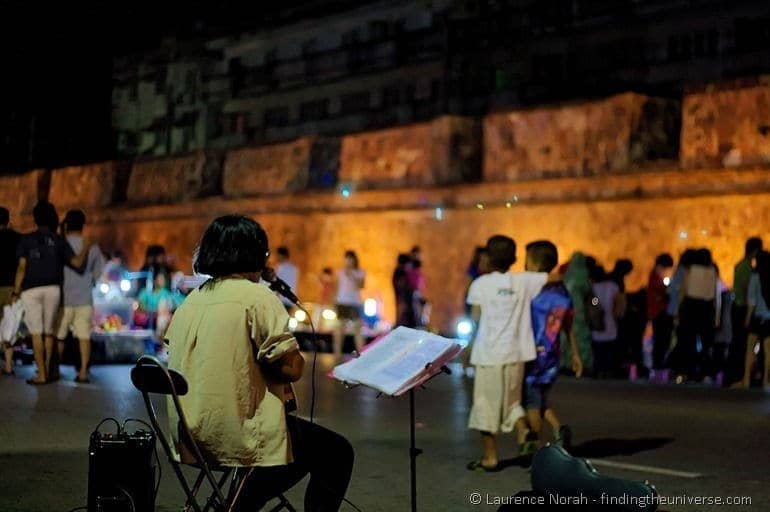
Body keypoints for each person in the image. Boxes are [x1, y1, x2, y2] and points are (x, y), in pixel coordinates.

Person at [164, 215, 354, 511]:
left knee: (297, 443)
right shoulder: (257, 297)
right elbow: (291, 368)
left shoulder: (191, 301)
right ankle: (240, 504)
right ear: (253, 255)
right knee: (336, 451)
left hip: (192, 435)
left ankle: (238, 502)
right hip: (239, 435)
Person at [465, 235, 550, 471]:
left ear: (488, 257)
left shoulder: (480, 284)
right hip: (516, 354)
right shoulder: (524, 282)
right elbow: (552, 275)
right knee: (512, 403)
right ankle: (522, 429)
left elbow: (475, 317)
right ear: (514, 258)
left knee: (485, 405)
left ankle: (490, 457)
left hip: (489, 355)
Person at [13, 201, 91, 385]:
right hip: (53, 289)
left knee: (36, 333)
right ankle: (47, 370)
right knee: (49, 333)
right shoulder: (59, 241)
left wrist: (16, 291)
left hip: (31, 290)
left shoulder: (26, 240)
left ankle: (41, 374)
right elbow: (78, 264)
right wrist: (86, 246)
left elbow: (22, 268)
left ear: (35, 218)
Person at [522, 241, 582, 450]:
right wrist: (575, 354)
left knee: (531, 403)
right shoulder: (563, 292)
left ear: (535, 262)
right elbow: (568, 327)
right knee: (538, 398)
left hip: (532, 354)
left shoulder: (533, 290)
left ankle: (537, 449)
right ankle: (558, 428)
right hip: (552, 355)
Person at [54, 210, 104, 383]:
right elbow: (98, 274)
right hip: (84, 299)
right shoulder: (93, 246)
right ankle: (83, 372)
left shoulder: (61, 244)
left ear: (67, 224)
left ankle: (55, 370)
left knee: (59, 335)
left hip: (64, 298)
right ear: (83, 225)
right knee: (84, 336)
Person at [675, 248, 720, 382]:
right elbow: (716, 294)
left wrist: (678, 311)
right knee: (706, 343)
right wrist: (716, 316)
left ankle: (688, 371)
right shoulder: (712, 271)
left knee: (687, 341)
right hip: (707, 308)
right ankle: (706, 372)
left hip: (690, 307)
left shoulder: (690, 270)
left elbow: (683, 291)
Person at [729, 237, 763, 387]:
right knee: (742, 344)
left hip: (738, 307)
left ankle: (739, 376)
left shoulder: (740, 265)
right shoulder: (748, 268)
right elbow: (748, 291)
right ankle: (740, 376)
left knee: (739, 343)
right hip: (743, 309)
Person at [739, 250, 770, 390]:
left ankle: (746, 379)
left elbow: (751, 300)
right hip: (769, 318)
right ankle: (766, 381)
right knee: (768, 352)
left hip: (757, 317)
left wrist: (747, 318)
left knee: (750, 349)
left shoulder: (755, 276)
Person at [562, 253, 594, 375]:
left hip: (565, 311)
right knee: (581, 339)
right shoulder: (583, 276)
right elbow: (591, 296)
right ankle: (582, 364)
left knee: (566, 338)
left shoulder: (565, 276)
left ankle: (566, 364)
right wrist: (597, 304)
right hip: (579, 312)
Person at [591, 266, 625, 378]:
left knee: (598, 349)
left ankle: (599, 370)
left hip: (598, 322)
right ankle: (608, 370)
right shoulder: (612, 286)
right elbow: (617, 302)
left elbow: (594, 302)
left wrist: (597, 305)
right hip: (610, 321)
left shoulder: (593, 288)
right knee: (609, 348)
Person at [0, 207, 21, 375]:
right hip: (11, 288)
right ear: (7, 221)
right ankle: (8, 364)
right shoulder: (18, 238)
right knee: (9, 327)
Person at [333, 250, 365, 357]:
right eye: (346, 259)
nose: (348, 261)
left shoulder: (360, 272)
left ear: (354, 260)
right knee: (339, 328)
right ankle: (337, 353)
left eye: (350, 259)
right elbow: (336, 287)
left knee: (357, 328)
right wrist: (334, 301)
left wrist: (351, 275)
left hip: (354, 302)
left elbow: (361, 286)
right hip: (342, 301)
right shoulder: (340, 272)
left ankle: (361, 353)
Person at [647, 253, 675, 370]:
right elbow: (660, 292)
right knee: (661, 340)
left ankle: (657, 364)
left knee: (659, 340)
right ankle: (658, 365)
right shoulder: (655, 276)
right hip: (659, 312)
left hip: (656, 312)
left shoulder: (655, 275)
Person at [392, 254, 415, 327]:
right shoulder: (400, 273)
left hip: (404, 304)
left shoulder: (400, 273)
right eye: (409, 264)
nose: (410, 266)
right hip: (404, 304)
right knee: (403, 323)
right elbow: (401, 289)